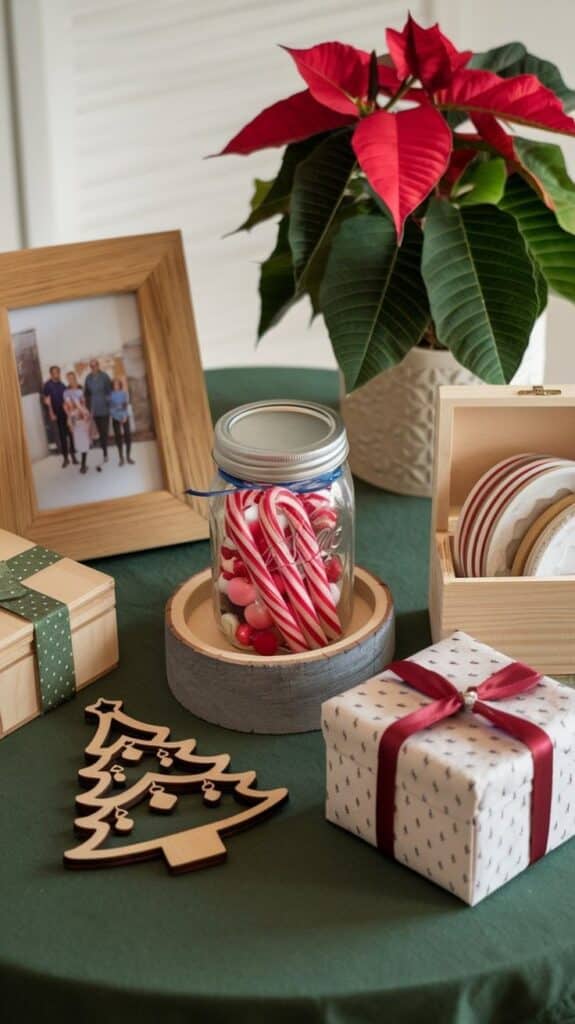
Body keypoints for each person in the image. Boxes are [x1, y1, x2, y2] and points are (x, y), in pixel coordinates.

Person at [42, 365, 77, 468]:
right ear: (51, 373)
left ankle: (73, 456)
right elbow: (46, 401)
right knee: (62, 436)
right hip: (57, 414)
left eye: (58, 371)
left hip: (67, 413)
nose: (56, 373)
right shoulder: (47, 385)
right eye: (54, 372)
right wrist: (51, 413)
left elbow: (67, 400)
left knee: (71, 435)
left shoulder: (62, 385)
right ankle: (66, 458)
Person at [63, 372, 92, 474]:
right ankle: (78, 460)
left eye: (72, 378)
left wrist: (86, 415)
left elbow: (84, 404)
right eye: (69, 378)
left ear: (75, 378)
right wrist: (68, 419)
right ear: (67, 379)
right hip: (73, 419)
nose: (71, 380)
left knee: (84, 441)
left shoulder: (80, 390)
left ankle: (83, 465)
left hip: (82, 417)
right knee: (78, 442)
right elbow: (66, 407)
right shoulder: (66, 392)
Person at [84, 359, 112, 462]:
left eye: (95, 365)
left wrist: (110, 406)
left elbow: (109, 391)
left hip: (104, 407)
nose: (93, 368)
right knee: (99, 432)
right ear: (90, 367)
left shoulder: (104, 376)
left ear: (98, 365)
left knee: (104, 431)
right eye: (91, 366)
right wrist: (87, 409)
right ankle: (103, 449)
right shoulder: (88, 378)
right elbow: (86, 394)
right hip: (94, 409)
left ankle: (105, 453)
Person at [109, 378, 135, 466]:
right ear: (112, 385)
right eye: (114, 384)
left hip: (125, 417)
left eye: (117, 384)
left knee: (128, 435)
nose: (115, 386)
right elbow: (111, 408)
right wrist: (116, 416)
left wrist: (123, 416)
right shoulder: (110, 395)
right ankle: (121, 457)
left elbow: (125, 405)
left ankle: (128, 456)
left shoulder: (124, 394)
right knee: (118, 437)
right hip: (115, 417)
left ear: (120, 385)